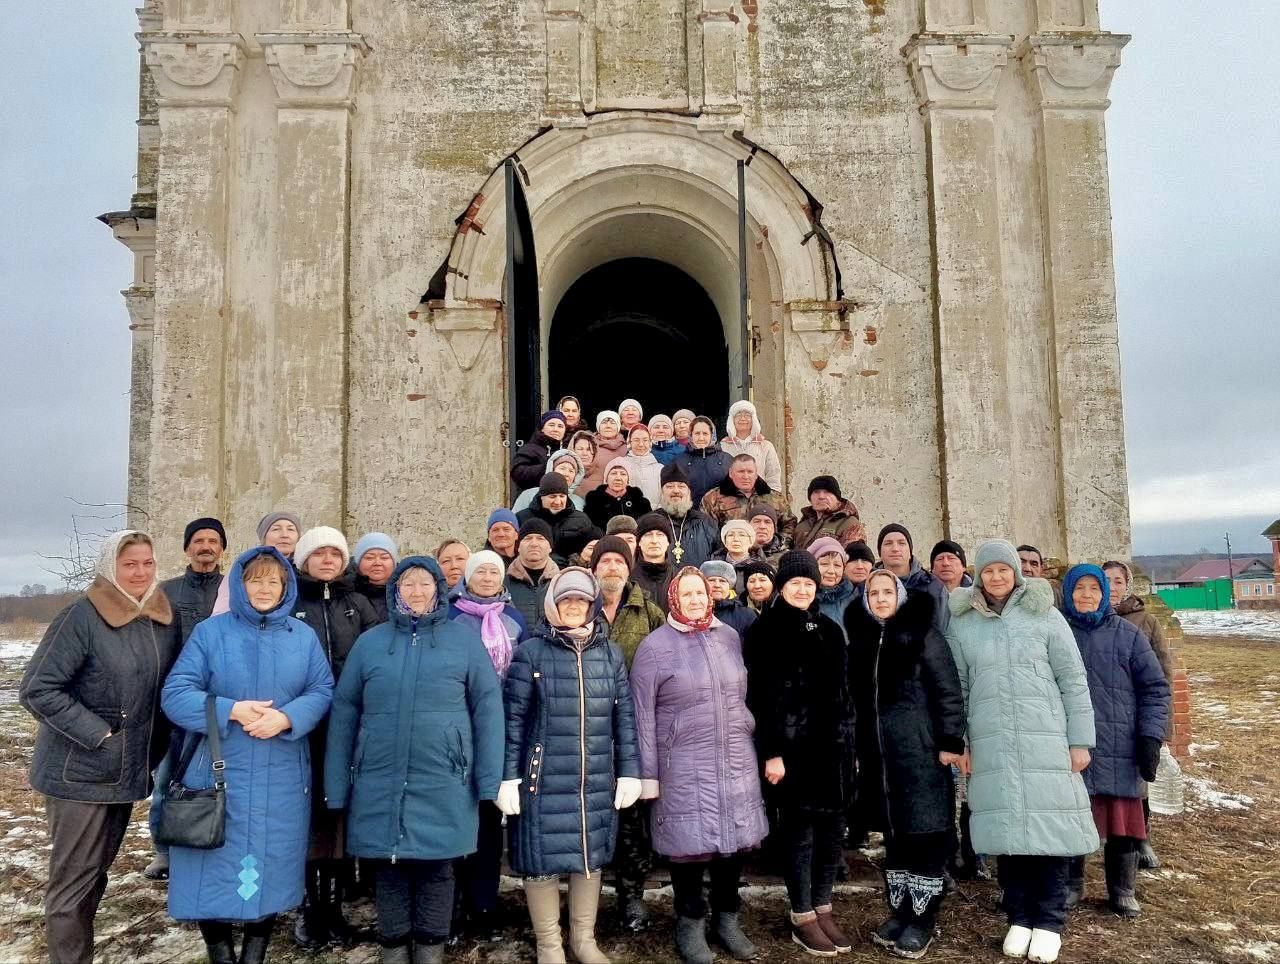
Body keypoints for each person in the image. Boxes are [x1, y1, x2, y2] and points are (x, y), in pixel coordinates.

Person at [325, 556, 504, 964]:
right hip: (378, 778)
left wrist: (487, 780)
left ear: (440, 589)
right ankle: (392, 950)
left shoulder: (463, 643)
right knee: (388, 868)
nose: (417, 592)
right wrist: (337, 785)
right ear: (395, 590)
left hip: (444, 779)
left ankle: (428, 951)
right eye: (408, 584)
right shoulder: (372, 643)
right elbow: (345, 711)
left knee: (437, 869)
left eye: (426, 584)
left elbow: (488, 710)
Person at [163, 546, 334, 964]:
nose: (264, 587)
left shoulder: (302, 637)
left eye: (272, 580)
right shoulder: (211, 632)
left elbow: (322, 690)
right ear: (239, 585)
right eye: (255, 579)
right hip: (221, 769)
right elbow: (176, 694)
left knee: (272, 861)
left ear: (286, 586)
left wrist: (288, 718)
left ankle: (255, 951)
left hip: (281, 773)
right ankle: (219, 951)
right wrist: (230, 710)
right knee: (210, 860)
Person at [20, 530, 181, 964]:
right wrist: (98, 734)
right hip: (79, 772)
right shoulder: (82, 616)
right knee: (73, 881)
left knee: (95, 876)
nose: (140, 572)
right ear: (111, 566)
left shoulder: (161, 618)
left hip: (127, 773)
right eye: (130, 564)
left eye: (147, 563)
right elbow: (38, 689)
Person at [944, 540, 1098, 964]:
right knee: (1007, 836)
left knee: (1048, 835)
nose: (996, 577)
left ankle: (1048, 921)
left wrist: (1079, 739)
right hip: (991, 742)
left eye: (1003, 569)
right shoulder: (964, 624)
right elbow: (958, 687)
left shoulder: (1045, 617)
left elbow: (1073, 679)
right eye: (988, 570)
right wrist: (963, 743)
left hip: (1044, 739)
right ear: (978, 575)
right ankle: (1019, 916)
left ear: (1017, 573)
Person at [498, 568, 642, 964]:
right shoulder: (531, 653)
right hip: (543, 777)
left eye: (581, 600)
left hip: (594, 776)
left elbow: (624, 717)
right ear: (553, 606)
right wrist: (508, 777)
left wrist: (629, 769)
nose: (574, 607)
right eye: (566, 600)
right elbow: (514, 720)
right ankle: (549, 944)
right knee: (541, 858)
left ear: (592, 604)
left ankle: (583, 940)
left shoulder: (608, 653)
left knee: (588, 854)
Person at [630, 568, 769, 964]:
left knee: (733, 846)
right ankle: (689, 923)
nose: (695, 600)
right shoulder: (654, 647)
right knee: (688, 848)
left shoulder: (727, 637)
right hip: (683, 765)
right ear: (674, 598)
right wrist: (649, 776)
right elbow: (642, 716)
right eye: (687, 593)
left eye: (701, 593)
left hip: (734, 757)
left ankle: (727, 920)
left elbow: (744, 693)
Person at [845, 570, 966, 959]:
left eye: (887, 591)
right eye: (873, 593)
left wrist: (949, 742)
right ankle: (899, 911)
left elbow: (948, 689)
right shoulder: (861, 642)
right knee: (895, 835)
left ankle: (923, 918)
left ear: (899, 595)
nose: (880, 598)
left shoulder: (923, 636)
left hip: (922, 753)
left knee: (925, 832)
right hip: (880, 760)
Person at [744, 551, 854, 957]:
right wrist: (772, 753)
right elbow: (762, 697)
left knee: (830, 834)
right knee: (800, 834)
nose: (803, 589)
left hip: (833, 750)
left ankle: (823, 906)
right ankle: (802, 914)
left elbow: (843, 692)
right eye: (795, 583)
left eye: (809, 583)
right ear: (782, 586)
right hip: (792, 753)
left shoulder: (828, 627)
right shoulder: (765, 630)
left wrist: (849, 743)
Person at [1060, 564, 1170, 919]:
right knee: (1072, 816)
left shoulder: (1129, 635)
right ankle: (1071, 884)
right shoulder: (1057, 632)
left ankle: (1122, 890)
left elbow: (1155, 688)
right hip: (1072, 742)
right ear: (1069, 593)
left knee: (1122, 820)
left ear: (1106, 593)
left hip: (1120, 742)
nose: (1087, 595)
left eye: (1095, 588)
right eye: (1080, 588)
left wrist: (1151, 736)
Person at [291, 526, 380, 948]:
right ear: (304, 560)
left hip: (347, 726)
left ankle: (335, 906)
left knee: (339, 816)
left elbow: (375, 657)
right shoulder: (291, 604)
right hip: (302, 728)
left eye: (334, 554)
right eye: (318, 554)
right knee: (309, 821)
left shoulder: (356, 603)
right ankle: (309, 909)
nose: (327, 560)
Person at [446, 549, 528, 938]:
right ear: (467, 576)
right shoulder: (450, 617)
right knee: (456, 818)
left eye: (494, 572)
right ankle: (452, 905)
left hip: (499, 729)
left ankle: (484, 903)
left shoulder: (514, 620)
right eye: (480, 572)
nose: (487, 578)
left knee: (490, 824)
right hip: (459, 729)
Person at [588, 537, 665, 932]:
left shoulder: (648, 612)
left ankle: (631, 896)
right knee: (590, 813)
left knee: (631, 818)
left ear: (629, 567)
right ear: (596, 568)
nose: (613, 569)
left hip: (633, 728)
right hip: (587, 730)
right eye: (606, 562)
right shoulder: (578, 607)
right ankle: (587, 896)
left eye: (619, 561)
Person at [145, 517, 228, 881]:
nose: (205, 546)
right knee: (167, 778)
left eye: (213, 540)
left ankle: (210, 834)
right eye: (198, 540)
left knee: (212, 776)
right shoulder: (165, 592)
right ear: (186, 548)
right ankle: (164, 848)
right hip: (174, 700)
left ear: (222, 548)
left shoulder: (232, 589)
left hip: (219, 700)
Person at [1102, 559, 1175, 870]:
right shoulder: (1088, 618)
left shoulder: (1146, 621)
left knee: (1138, 778)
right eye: (1106, 581)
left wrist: (1159, 727)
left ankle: (1141, 836)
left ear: (1127, 585)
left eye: (1118, 581)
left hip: (1135, 712)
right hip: (1105, 711)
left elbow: (1163, 676)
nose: (1112, 587)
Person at [211, 510, 302, 616]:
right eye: (276, 529)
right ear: (264, 537)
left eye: (291, 529)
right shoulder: (245, 566)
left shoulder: (305, 570)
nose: (284, 535)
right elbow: (222, 611)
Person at [700, 455, 796, 543]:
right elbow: (705, 531)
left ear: (756, 474)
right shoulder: (713, 499)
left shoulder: (775, 498)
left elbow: (790, 524)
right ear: (730, 473)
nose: (745, 476)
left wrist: (778, 544)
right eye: (740, 472)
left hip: (769, 556)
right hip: (730, 555)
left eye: (750, 472)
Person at [877, 523, 949, 633]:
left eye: (901, 543)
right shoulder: (866, 587)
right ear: (880, 553)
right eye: (888, 543)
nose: (895, 548)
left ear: (910, 552)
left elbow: (944, 633)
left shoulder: (933, 587)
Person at [652, 462, 719, 570]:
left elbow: (717, 557)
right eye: (670, 486)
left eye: (681, 486)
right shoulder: (649, 522)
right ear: (662, 491)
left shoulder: (705, 523)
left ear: (689, 491)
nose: (676, 491)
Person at [518, 473, 597, 564]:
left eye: (562, 496)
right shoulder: (522, 518)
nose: (558, 502)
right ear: (541, 497)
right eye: (552, 496)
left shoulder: (581, 520)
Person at [505, 519, 561, 627]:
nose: (534, 544)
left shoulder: (562, 583)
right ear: (518, 547)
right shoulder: (503, 584)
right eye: (527, 538)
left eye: (540, 538)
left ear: (550, 547)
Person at [720, 400, 783, 494]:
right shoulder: (722, 446)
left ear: (753, 419)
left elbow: (773, 476)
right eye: (738, 415)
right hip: (730, 500)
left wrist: (771, 499)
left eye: (747, 415)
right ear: (732, 419)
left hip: (759, 499)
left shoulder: (765, 446)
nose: (743, 418)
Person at [793, 476, 866, 551]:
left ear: (837, 498)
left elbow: (853, 558)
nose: (821, 496)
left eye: (827, 492)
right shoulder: (802, 525)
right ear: (810, 498)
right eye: (816, 492)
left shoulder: (850, 524)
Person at [673, 416, 732, 505]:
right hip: (688, 514)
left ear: (712, 435)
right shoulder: (679, 461)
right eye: (697, 433)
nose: (701, 438)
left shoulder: (726, 459)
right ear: (691, 435)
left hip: (718, 514)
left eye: (705, 433)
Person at [584, 459, 651, 530]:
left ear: (628, 480)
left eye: (623, 474)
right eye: (613, 473)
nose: (618, 478)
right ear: (606, 478)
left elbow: (647, 528)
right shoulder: (594, 502)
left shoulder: (640, 502)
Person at [513, 449, 588, 512]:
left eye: (571, 471)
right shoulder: (528, 495)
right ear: (552, 469)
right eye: (562, 468)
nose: (566, 474)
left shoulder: (579, 503)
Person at [700, 560, 758, 641]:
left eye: (722, 581)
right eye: (711, 580)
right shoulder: (694, 612)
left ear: (730, 585)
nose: (717, 585)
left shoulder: (746, 615)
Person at [511, 410, 568, 489]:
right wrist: (547, 468)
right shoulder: (530, 448)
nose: (556, 429)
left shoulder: (567, 450)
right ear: (542, 428)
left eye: (560, 426)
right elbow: (517, 472)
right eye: (551, 425)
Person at [808, 537, 856, 633]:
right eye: (824, 564)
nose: (831, 571)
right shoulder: (802, 599)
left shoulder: (854, 599)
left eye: (837, 565)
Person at [633, 513, 677, 611]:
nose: (654, 540)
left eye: (660, 535)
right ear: (639, 542)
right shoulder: (629, 579)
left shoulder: (680, 577)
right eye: (648, 535)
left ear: (668, 542)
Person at [352, 532, 399, 623]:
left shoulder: (406, 594)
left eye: (384, 558)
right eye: (369, 558)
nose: (377, 563)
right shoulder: (346, 594)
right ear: (357, 562)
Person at [712, 519, 764, 594]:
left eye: (742, 535)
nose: (736, 539)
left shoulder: (760, 566)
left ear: (750, 541)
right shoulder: (713, 565)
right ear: (725, 541)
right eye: (730, 535)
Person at [622, 423, 664, 505]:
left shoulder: (660, 469)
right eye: (636, 440)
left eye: (645, 440)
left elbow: (665, 497)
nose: (641, 444)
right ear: (629, 442)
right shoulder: (622, 466)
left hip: (654, 516)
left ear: (650, 442)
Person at [571, 430, 605, 495]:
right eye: (580, 449)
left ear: (594, 452)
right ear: (572, 450)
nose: (584, 453)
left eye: (589, 449)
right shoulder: (565, 473)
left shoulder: (603, 475)